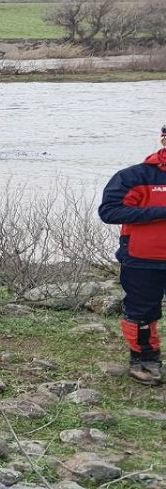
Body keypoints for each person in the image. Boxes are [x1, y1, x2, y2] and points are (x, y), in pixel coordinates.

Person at [97, 125, 166, 385]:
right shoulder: (133, 176)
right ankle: (144, 360)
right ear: (163, 139)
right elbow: (110, 212)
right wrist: (161, 212)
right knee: (141, 313)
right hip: (141, 259)